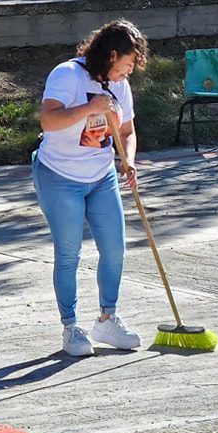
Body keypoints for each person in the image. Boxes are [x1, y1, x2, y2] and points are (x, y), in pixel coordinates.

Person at [33, 19, 148, 356]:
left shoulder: (120, 87)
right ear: (112, 55)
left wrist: (127, 159)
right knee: (69, 252)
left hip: (101, 177)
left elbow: (126, 132)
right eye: (127, 64)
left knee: (114, 249)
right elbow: (48, 120)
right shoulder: (67, 75)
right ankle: (71, 328)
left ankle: (107, 318)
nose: (128, 73)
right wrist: (90, 107)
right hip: (59, 175)